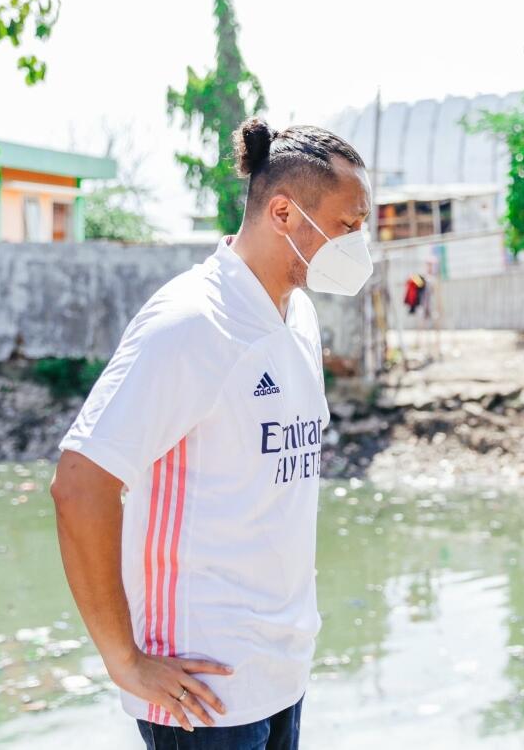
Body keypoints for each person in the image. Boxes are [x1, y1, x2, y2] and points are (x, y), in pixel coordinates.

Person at [50, 117, 372, 749]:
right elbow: (80, 484)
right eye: (347, 227)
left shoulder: (297, 316)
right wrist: (124, 660)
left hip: (281, 673)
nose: (359, 247)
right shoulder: (192, 323)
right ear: (283, 212)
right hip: (201, 694)